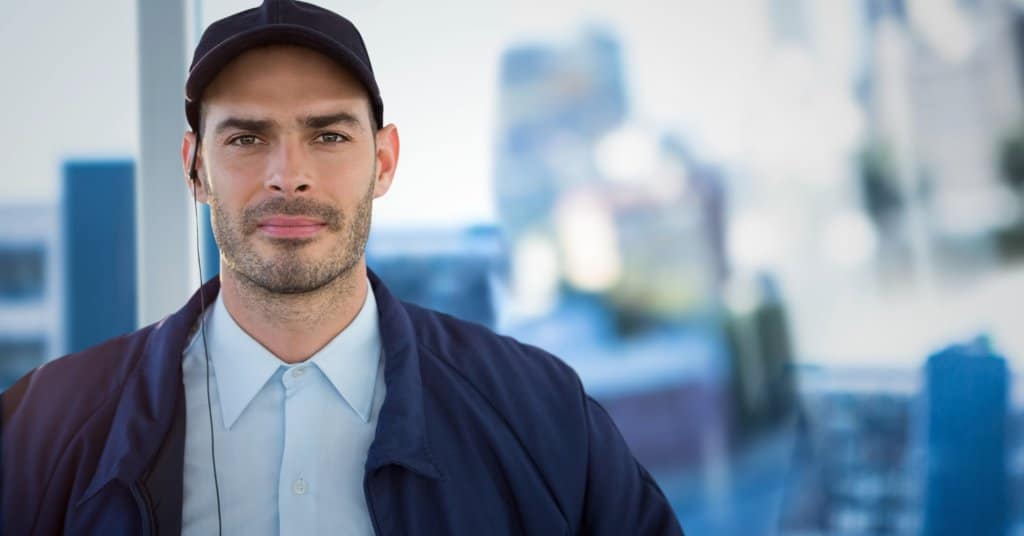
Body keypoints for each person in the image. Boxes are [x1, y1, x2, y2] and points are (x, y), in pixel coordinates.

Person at [1, 1, 685, 534]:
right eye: (246, 137)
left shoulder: (542, 413)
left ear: (383, 161)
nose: (288, 176)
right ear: (194, 167)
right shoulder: (42, 429)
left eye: (328, 135)